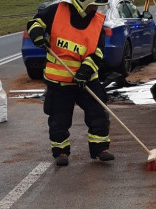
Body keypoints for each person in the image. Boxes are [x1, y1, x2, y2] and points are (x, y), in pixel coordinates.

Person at [26, 0, 114, 167]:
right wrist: (37, 34)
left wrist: (84, 72)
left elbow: (97, 53)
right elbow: (34, 22)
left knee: (98, 113)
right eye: (92, 5)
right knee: (59, 118)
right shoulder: (56, 11)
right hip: (59, 81)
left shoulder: (97, 22)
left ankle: (100, 149)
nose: (95, 9)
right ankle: (61, 151)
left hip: (86, 80)